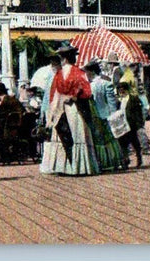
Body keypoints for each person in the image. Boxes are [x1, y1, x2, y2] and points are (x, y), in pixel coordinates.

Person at [40, 44, 98, 176]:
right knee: (77, 135)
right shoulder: (80, 73)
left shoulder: (59, 74)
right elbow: (87, 92)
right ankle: (79, 166)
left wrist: (52, 112)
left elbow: (53, 94)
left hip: (60, 107)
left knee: (62, 136)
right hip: (74, 108)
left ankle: (64, 166)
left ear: (63, 59)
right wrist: (75, 96)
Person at [85, 61, 124, 172]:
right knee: (108, 140)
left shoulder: (95, 85)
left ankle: (104, 162)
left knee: (101, 140)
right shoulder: (104, 83)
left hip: (98, 116)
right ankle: (111, 161)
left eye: (86, 71)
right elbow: (111, 103)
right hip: (103, 115)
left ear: (91, 71)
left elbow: (110, 103)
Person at [114, 82, 144, 169]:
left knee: (134, 142)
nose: (121, 93)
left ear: (127, 90)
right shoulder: (118, 101)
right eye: (119, 91)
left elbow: (138, 112)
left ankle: (139, 157)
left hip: (131, 124)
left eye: (123, 91)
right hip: (122, 124)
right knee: (122, 143)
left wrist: (139, 124)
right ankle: (125, 160)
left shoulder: (133, 99)